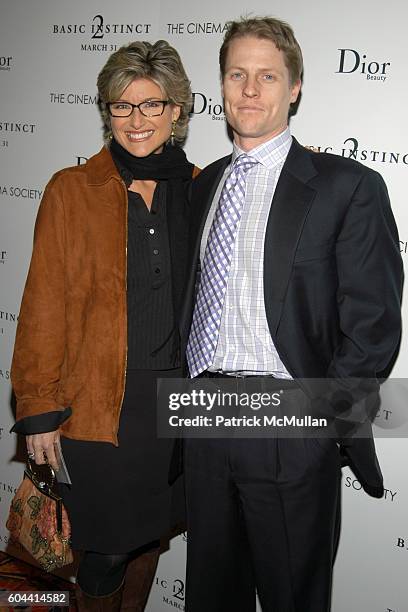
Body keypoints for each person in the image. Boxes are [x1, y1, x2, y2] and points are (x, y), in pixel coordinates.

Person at [181, 16, 403, 612]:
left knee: (291, 600)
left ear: (295, 87)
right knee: (211, 598)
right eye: (237, 74)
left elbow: (373, 323)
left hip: (290, 423)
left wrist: (318, 428)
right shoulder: (204, 187)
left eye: (268, 76)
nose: (250, 90)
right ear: (221, 85)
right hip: (203, 419)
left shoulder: (346, 186)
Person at [11, 40, 197, 611]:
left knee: (151, 541)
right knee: (103, 552)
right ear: (107, 111)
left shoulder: (200, 187)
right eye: (122, 106)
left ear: (177, 112)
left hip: (177, 403)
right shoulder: (73, 189)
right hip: (97, 406)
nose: (136, 120)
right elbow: (43, 302)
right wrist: (39, 409)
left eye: (151, 105)